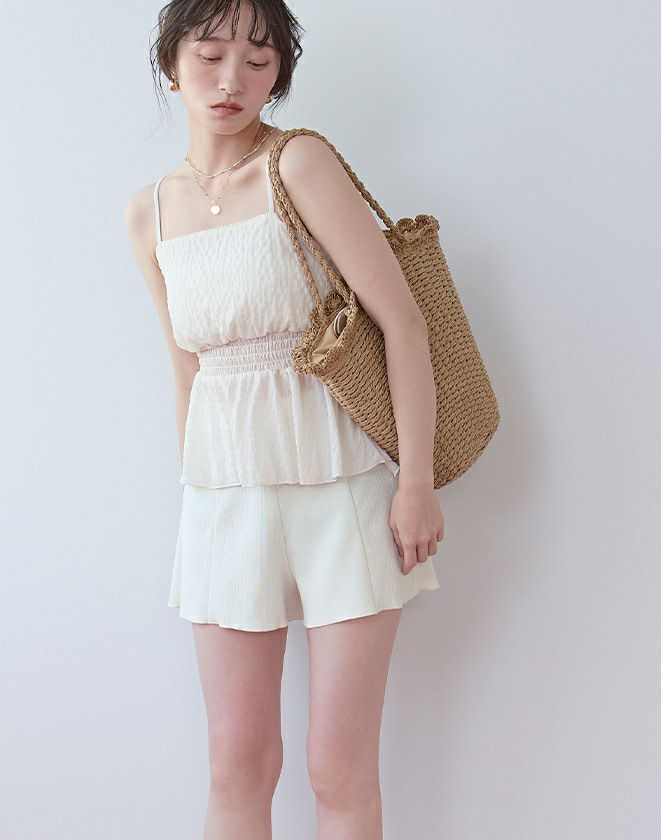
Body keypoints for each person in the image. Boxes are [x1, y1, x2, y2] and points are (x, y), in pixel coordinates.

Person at [124, 1, 444, 837]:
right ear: (170, 65)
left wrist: (415, 484)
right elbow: (186, 372)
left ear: (279, 78)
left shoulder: (297, 164)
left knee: (338, 768)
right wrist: (197, 504)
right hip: (223, 496)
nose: (232, 79)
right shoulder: (148, 212)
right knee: (237, 765)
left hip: (343, 488)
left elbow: (405, 325)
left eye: (259, 61)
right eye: (210, 55)